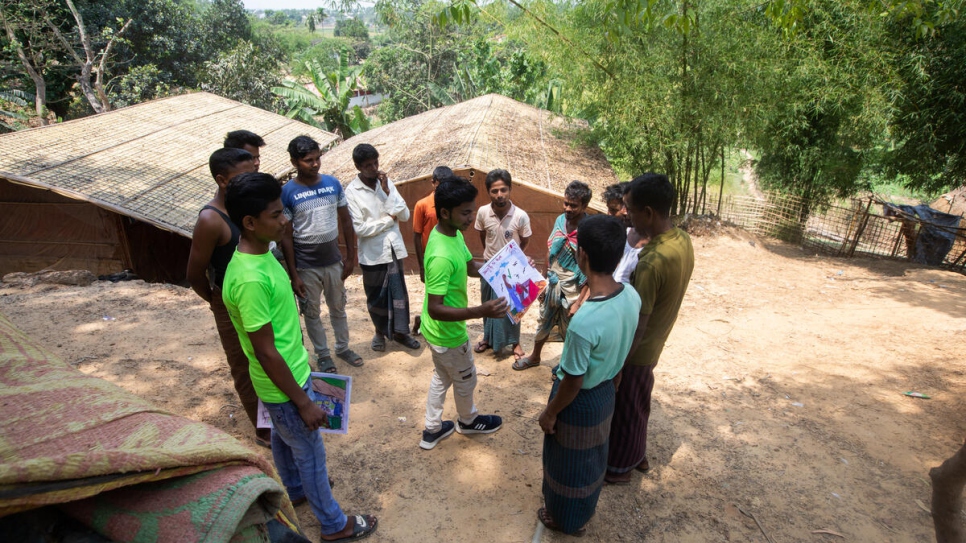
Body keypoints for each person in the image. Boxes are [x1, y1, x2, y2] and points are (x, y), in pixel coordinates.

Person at [221, 172, 378, 542]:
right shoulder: (249, 279)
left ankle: (293, 489)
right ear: (249, 222)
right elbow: (264, 350)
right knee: (311, 454)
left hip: (284, 380)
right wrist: (304, 401)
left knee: (282, 437)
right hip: (285, 385)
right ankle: (333, 524)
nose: (285, 220)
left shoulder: (261, 255)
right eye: (276, 215)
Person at [537, 214, 641, 536]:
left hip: (578, 403)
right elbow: (627, 343)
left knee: (566, 462)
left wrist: (550, 412)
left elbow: (573, 381)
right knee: (593, 458)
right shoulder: (631, 297)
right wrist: (617, 374)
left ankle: (565, 519)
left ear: (581, 255)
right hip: (606, 393)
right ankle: (583, 510)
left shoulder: (584, 323)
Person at [605, 173, 694, 485]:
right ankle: (638, 454)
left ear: (649, 213)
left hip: (639, 349)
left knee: (627, 407)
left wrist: (620, 365)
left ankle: (619, 469)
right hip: (657, 340)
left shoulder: (652, 261)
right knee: (639, 401)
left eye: (630, 209)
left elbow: (638, 322)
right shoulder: (682, 240)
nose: (626, 214)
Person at [185, 148, 271, 448]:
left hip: (259, 294)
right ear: (222, 180)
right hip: (230, 299)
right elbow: (195, 271)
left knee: (269, 355)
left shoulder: (249, 209)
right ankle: (264, 430)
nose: (251, 180)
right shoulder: (211, 219)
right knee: (244, 364)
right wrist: (215, 300)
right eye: (243, 176)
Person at [418, 177, 508, 450]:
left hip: (438, 334)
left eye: (473, 210)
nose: (472, 217)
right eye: (466, 212)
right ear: (445, 212)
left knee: (442, 376)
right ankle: (468, 421)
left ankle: (432, 428)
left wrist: (505, 264)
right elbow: (435, 308)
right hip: (448, 334)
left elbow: (470, 267)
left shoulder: (451, 233)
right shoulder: (441, 255)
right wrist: (480, 310)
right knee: (466, 377)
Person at [279, 136, 362, 373]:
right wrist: (293, 274)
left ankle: (343, 347)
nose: (315, 164)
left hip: (333, 261)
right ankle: (323, 354)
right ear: (295, 162)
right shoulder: (287, 192)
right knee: (312, 312)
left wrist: (350, 258)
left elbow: (346, 221)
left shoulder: (333, 184)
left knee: (338, 307)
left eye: (317, 159)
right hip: (306, 266)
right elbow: (286, 235)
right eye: (308, 160)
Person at [344, 143, 420, 352]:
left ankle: (401, 332)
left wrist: (387, 192)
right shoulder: (352, 191)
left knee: (398, 294)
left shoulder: (386, 183)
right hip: (372, 254)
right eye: (368, 165)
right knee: (376, 295)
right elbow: (361, 229)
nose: (374, 168)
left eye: (375, 162)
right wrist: (388, 219)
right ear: (358, 166)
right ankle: (379, 333)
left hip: (393, 248)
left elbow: (404, 215)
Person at [514, 181, 593, 371]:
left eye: (573, 205)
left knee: (571, 328)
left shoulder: (589, 229)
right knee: (544, 320)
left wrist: (579, 301)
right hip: (553, 281)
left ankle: (565, 365)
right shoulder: (559, 221)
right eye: (565, 203)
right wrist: (543, 282)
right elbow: (551, 251)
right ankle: (534, 357)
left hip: (574, 286)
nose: (567, 208)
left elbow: (590, 269)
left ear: (584, 206)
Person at [474, 169, 532, 360]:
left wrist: (514, 257)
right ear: (488, 192)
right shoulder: (483, 212)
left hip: (512, 268)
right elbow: (484, 237)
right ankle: (488, 338)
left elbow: (524, 240)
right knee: (488, 304)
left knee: (515, 306)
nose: (499, 195)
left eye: (503, 190)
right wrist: (493, 258)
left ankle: (515, 342)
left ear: (510, 189)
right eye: (494, 191)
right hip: (489, 267)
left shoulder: (520, 216)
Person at [412, 166, 455, 335]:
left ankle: (428, 323)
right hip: (432, 260)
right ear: (433, 183)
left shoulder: (452, 205)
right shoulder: (422, 205)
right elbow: (416, 235)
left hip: (448, 258)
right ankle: (422, 322)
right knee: (434, 295)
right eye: (441, 184)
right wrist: (421, 266)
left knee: (447, 294)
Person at [604, 182, 650, 283]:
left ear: (627, 208)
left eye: (613, 210)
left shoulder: (650, 247)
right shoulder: (621, 233)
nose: (608, 214)